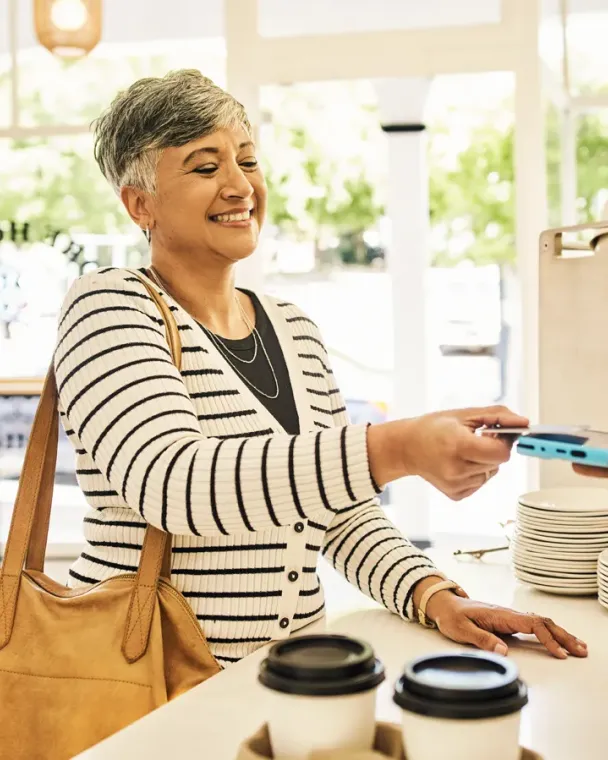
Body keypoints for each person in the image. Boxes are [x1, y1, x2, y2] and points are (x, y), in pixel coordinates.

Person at [53, 69, 587, 668]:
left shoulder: (294, 328)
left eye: (247, 161)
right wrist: (398, 449)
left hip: (290, 677)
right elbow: (175, 484)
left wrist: (433, 595)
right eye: (205, 168)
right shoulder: (108, 306)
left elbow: (334, 509)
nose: (239, 186)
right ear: (139, 203)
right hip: (144, 683)